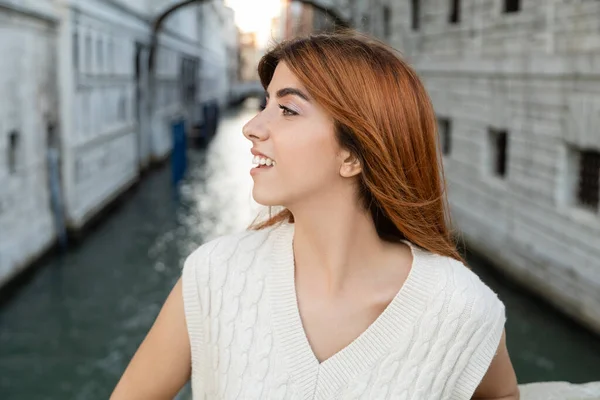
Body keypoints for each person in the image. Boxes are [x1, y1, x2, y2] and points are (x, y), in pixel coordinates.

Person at [111, 32, 519, 399]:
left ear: (353, 154)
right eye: (265, 103)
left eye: (287, 110)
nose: (252, 126)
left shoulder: (461, 306)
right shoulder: (215, 274)